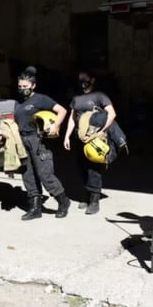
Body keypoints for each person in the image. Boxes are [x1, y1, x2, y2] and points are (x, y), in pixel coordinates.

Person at [14, 66, 71, 220]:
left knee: (45, 174)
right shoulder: (17, 102)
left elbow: (62, 111)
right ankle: (35, 208)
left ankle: (63, 201)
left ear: (33, 85)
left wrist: (55, 125)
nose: (22, 89)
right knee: (28, 175)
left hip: (38, 140)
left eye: (25, 86)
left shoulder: (40, 99)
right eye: (20, 87)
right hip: (23, 140)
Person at [64, 70, 123, 215]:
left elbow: (112, 114)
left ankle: (94, 200)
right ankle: (87, 195)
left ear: (92, 79)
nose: (82, 80)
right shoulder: (76, 99)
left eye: (85, 77)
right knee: (82, 167)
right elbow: (72, 118)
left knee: (94, 169)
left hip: (95, 138)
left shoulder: (100, 96)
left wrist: (102, 131)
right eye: (80, 78)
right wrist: (67, 136)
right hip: (80, 138)